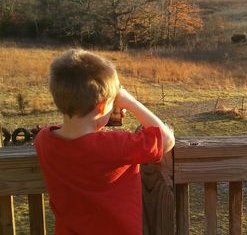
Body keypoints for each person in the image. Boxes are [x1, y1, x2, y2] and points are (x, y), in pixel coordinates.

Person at [34, 49, 175, 235]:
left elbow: (77, 135)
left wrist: (100, 115)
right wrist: (128, 100)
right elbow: (166, 139)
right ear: (101, 106)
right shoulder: (115, 145)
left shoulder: (44, 140)